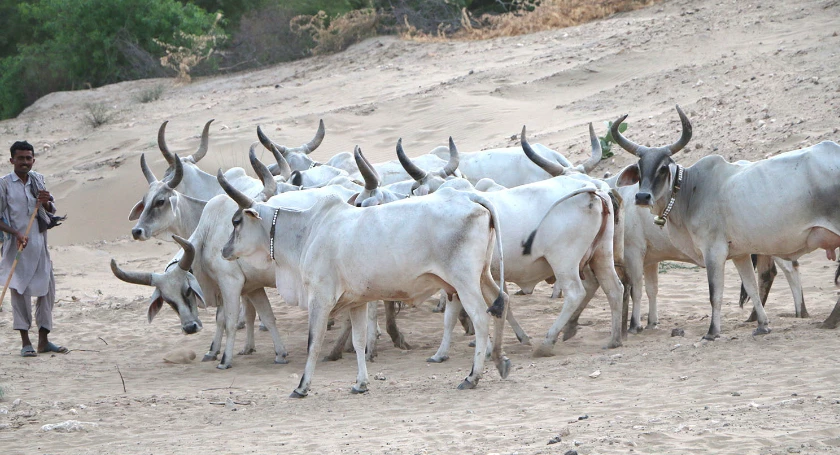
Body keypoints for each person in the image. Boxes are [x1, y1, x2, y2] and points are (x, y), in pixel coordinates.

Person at [0, 140, 66, 357]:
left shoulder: (38, 179)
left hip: (39, 244)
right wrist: (16, 233)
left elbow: (48, 209)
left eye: (28, 158)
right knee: (20, 293)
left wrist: (46, 202)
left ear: (33, 159)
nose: (25, 162)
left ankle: (44, 341)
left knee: (47, 291)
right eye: (20, 158)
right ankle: (25, 342)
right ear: (12, 160)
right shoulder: (4, 184)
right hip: (16, 246)